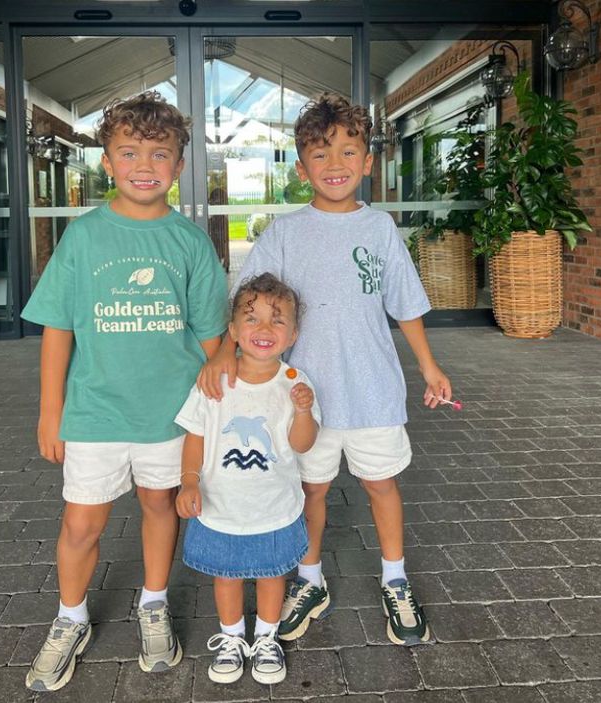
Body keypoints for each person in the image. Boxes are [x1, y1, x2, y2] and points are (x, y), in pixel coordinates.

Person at [198, 92, 452, 647]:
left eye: (347, 152)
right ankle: (309, 581)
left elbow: (405, 304)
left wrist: (430, 368)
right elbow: (246, 297)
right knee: (310, 491)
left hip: (373, 392)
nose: (334, 165)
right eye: (320, 153)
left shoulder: (380, 228)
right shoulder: (286, 231)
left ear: (367, 162)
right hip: (301, 398)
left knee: (380, 484)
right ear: (300, 164)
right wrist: (223, 353)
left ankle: (395, 577)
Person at [21, 91, 228, 692]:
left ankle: (154, 603)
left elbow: (213, 339)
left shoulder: (189, 244)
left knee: (160, 506)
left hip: (171, 415)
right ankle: (70, 618)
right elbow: (59, 329)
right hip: (93, 412)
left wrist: (223, 410)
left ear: (179, 165)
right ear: (107, 162)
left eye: (160, 153)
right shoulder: (84, 238)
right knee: (81, 522)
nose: (145, 164)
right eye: (129, 152)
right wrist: (50, 410)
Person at [175, 273, 319, 684]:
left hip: (275, 505)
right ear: (234, 330)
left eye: (277, 320)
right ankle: (232, 636)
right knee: (227, 574)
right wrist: (188, 480)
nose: (264, 329)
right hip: (221, 503)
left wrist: (305, 411)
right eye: (251, 319)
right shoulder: (213, 381)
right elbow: (196, 434)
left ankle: (268, 637)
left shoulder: (295, 383)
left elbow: (303, 444)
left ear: (292, 335)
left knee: (273, 573)